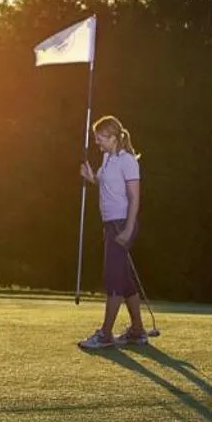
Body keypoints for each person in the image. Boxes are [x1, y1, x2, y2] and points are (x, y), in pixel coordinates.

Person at [78, 115, 146, 349]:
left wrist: (128, 229)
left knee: (113, 278)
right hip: (110, 224)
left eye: (102, 138)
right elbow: (105, 183)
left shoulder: (128, 161)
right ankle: (137, 331)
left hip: (122, 224)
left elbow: (134, 197)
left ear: (115, 137)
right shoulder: (107, 158)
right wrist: (91, 178)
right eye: (97, 139)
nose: (98, 143)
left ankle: (106, 334)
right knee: (124, 281)